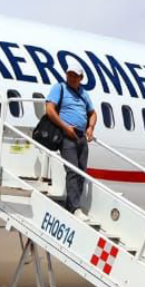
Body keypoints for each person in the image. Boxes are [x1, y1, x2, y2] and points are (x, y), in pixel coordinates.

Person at [45, 62, 97, 215]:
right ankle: (75, 208)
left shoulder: (83, 93)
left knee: (81, 172)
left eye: (75, 75)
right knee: (72, 170)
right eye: (70, 74)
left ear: (81, 78)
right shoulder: (59, 88)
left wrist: (90, 127)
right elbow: (49, 109)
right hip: (67, 135)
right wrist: (64, 127)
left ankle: (72, 204)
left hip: (81, 137)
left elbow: (93, 113)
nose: (71, 77)